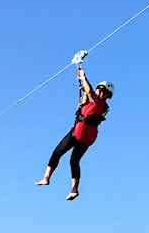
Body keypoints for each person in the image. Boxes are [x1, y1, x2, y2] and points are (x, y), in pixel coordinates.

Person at [37, 65, 114, 201]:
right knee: (74, 161)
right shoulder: (100, 105)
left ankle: (46, 178)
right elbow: (87, 95)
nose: (100, 92)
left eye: (102, 91)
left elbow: (89, 91)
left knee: (57, 152)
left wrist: (83, 76)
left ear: (106, 95)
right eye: (99, 90)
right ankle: (74, 190)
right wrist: (82, 91)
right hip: (89, 137)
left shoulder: (98, 102)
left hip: (79, 133)